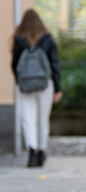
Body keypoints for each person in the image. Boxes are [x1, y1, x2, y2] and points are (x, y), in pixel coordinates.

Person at [11, 9, 62, 167]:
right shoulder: (48, 39)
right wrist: (58, 88)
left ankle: (31, 151)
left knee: (28, 120)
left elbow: (14, 64)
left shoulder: (19, 39)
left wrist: (19, 82)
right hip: (44, 85)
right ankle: (41, 151)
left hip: (25, 85)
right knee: (42, 119)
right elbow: (55, 64)